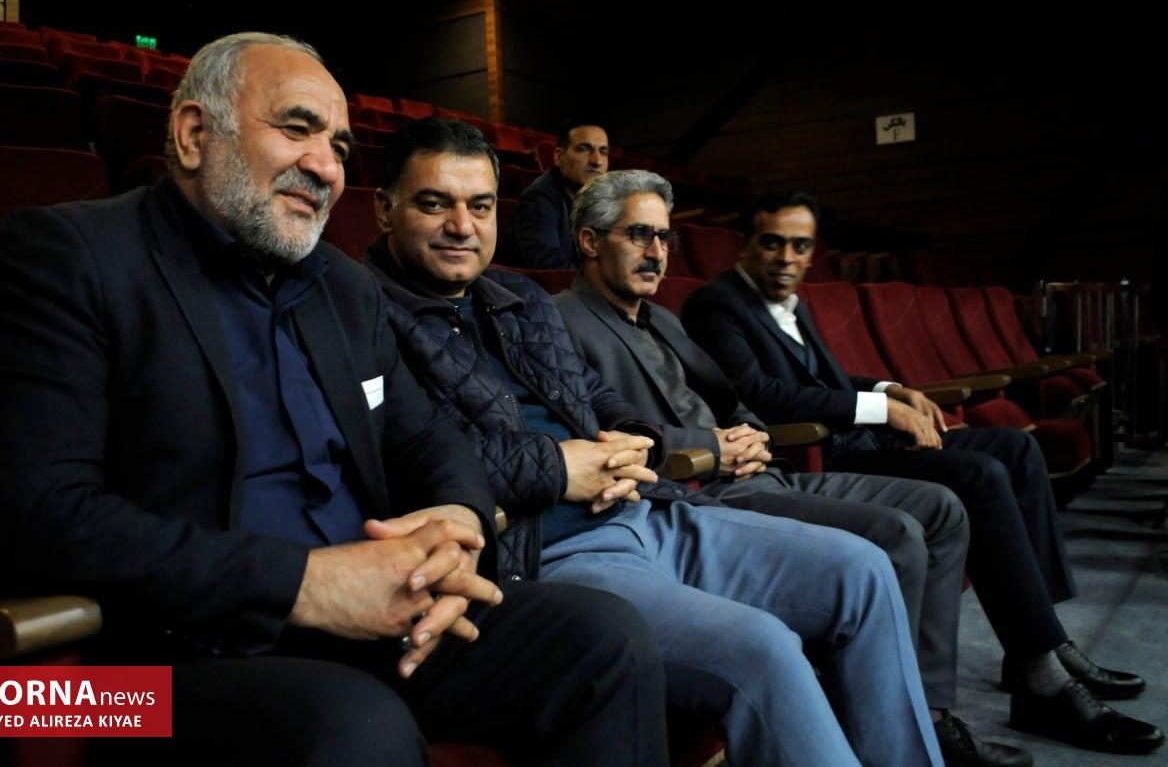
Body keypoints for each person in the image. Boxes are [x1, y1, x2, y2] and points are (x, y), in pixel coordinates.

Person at [0, 32, 672, 766]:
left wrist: (458, 524)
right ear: (195, 134)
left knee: (604, 639)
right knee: (354, 725)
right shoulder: (69, 254)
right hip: (165, 657)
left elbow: (427, 439)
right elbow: (32, 513)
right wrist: (304, 584)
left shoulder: (343, 285)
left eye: (338, 146)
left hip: (375, 620)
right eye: (297, 128)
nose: (327, 166)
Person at [364, 116, 944, 766]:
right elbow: (410, 453)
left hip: (651, 507)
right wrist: (557, 466)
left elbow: (590, 391)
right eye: (434, 204)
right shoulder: (363, 316)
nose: (462, 225)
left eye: (480, 205)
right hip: (550, 550)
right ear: (385, 209)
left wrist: (633, 440)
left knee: (865, 570)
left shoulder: (518, 295)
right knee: (764, 648)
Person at [554, 168, 1043, 766]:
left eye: (664, 238)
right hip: (700, 489)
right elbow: (599, 436)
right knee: (895, 533)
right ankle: (886, 723)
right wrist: (711, 445)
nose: (656, 252)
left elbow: (735, 398)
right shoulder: (561, 321)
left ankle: (927, 709)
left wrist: (752, 435)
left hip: (759, 467)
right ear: (589, 241)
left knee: (940, 508)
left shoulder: (664, 319)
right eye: (639, 235)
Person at [682, 188, 1164, 757]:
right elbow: (759, 394)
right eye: (773, 243)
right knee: (980, 474)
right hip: (820, 453)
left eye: (800, 246)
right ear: (744, 245)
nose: (787, 258)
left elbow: (825, 380)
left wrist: (892, 388)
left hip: (855, 437)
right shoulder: (716, 304)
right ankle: (1041, 676)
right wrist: (883, 410)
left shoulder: (792, 302)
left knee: (1016, 449)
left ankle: (1042, 644)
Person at [513, 117, 608, 267]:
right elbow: (549, 267)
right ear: (559, 157)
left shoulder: (600, 201)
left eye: (603, 152)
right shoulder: (538, 199)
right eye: (583, 149)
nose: (597, 161)